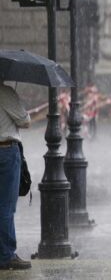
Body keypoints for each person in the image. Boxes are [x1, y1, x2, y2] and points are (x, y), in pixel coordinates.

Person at [0, 79, 31, 270]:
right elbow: (25, 121)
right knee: (6, 206)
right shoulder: (5, 92)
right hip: (5, 151)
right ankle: (6, 256)